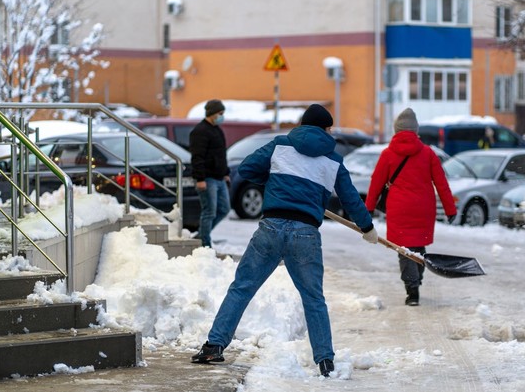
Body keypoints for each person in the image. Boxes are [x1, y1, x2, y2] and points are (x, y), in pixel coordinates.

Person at [191, 104, 378, 377]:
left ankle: (214, 346)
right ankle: (325, 362)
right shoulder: (334, 161)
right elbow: (350, 198)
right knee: (313, 298)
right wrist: (367, 227)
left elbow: (246, 168)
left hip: (271, 227)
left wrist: (273, 180)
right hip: (305, 233)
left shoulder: (280, 144)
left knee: (242, 287)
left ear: (302, 125)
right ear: (326, 129)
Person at [365, 108, 457, 306]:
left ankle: (412, 289)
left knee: (404, 249)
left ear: (396, 130)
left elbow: (376, 184)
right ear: (416, 131)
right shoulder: (428, 153)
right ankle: (417, 278)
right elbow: (441, 183)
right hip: (424, 209)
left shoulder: (388, 154)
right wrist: (450, 210)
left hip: (399, 210)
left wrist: (369, 208)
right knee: (418, 246)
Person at [189, 99, 231, 247]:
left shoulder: (217, 130)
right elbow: (197, 157)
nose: (222, 116)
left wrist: (225, 172)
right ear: (212, 113)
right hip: (207, 179)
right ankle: (204, 244)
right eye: (220, 113)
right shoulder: (200, 131)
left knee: (224, 209)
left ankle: (201, 235)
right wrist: (200, 178)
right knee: (209, 212)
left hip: (219, 177)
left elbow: (221, 154)